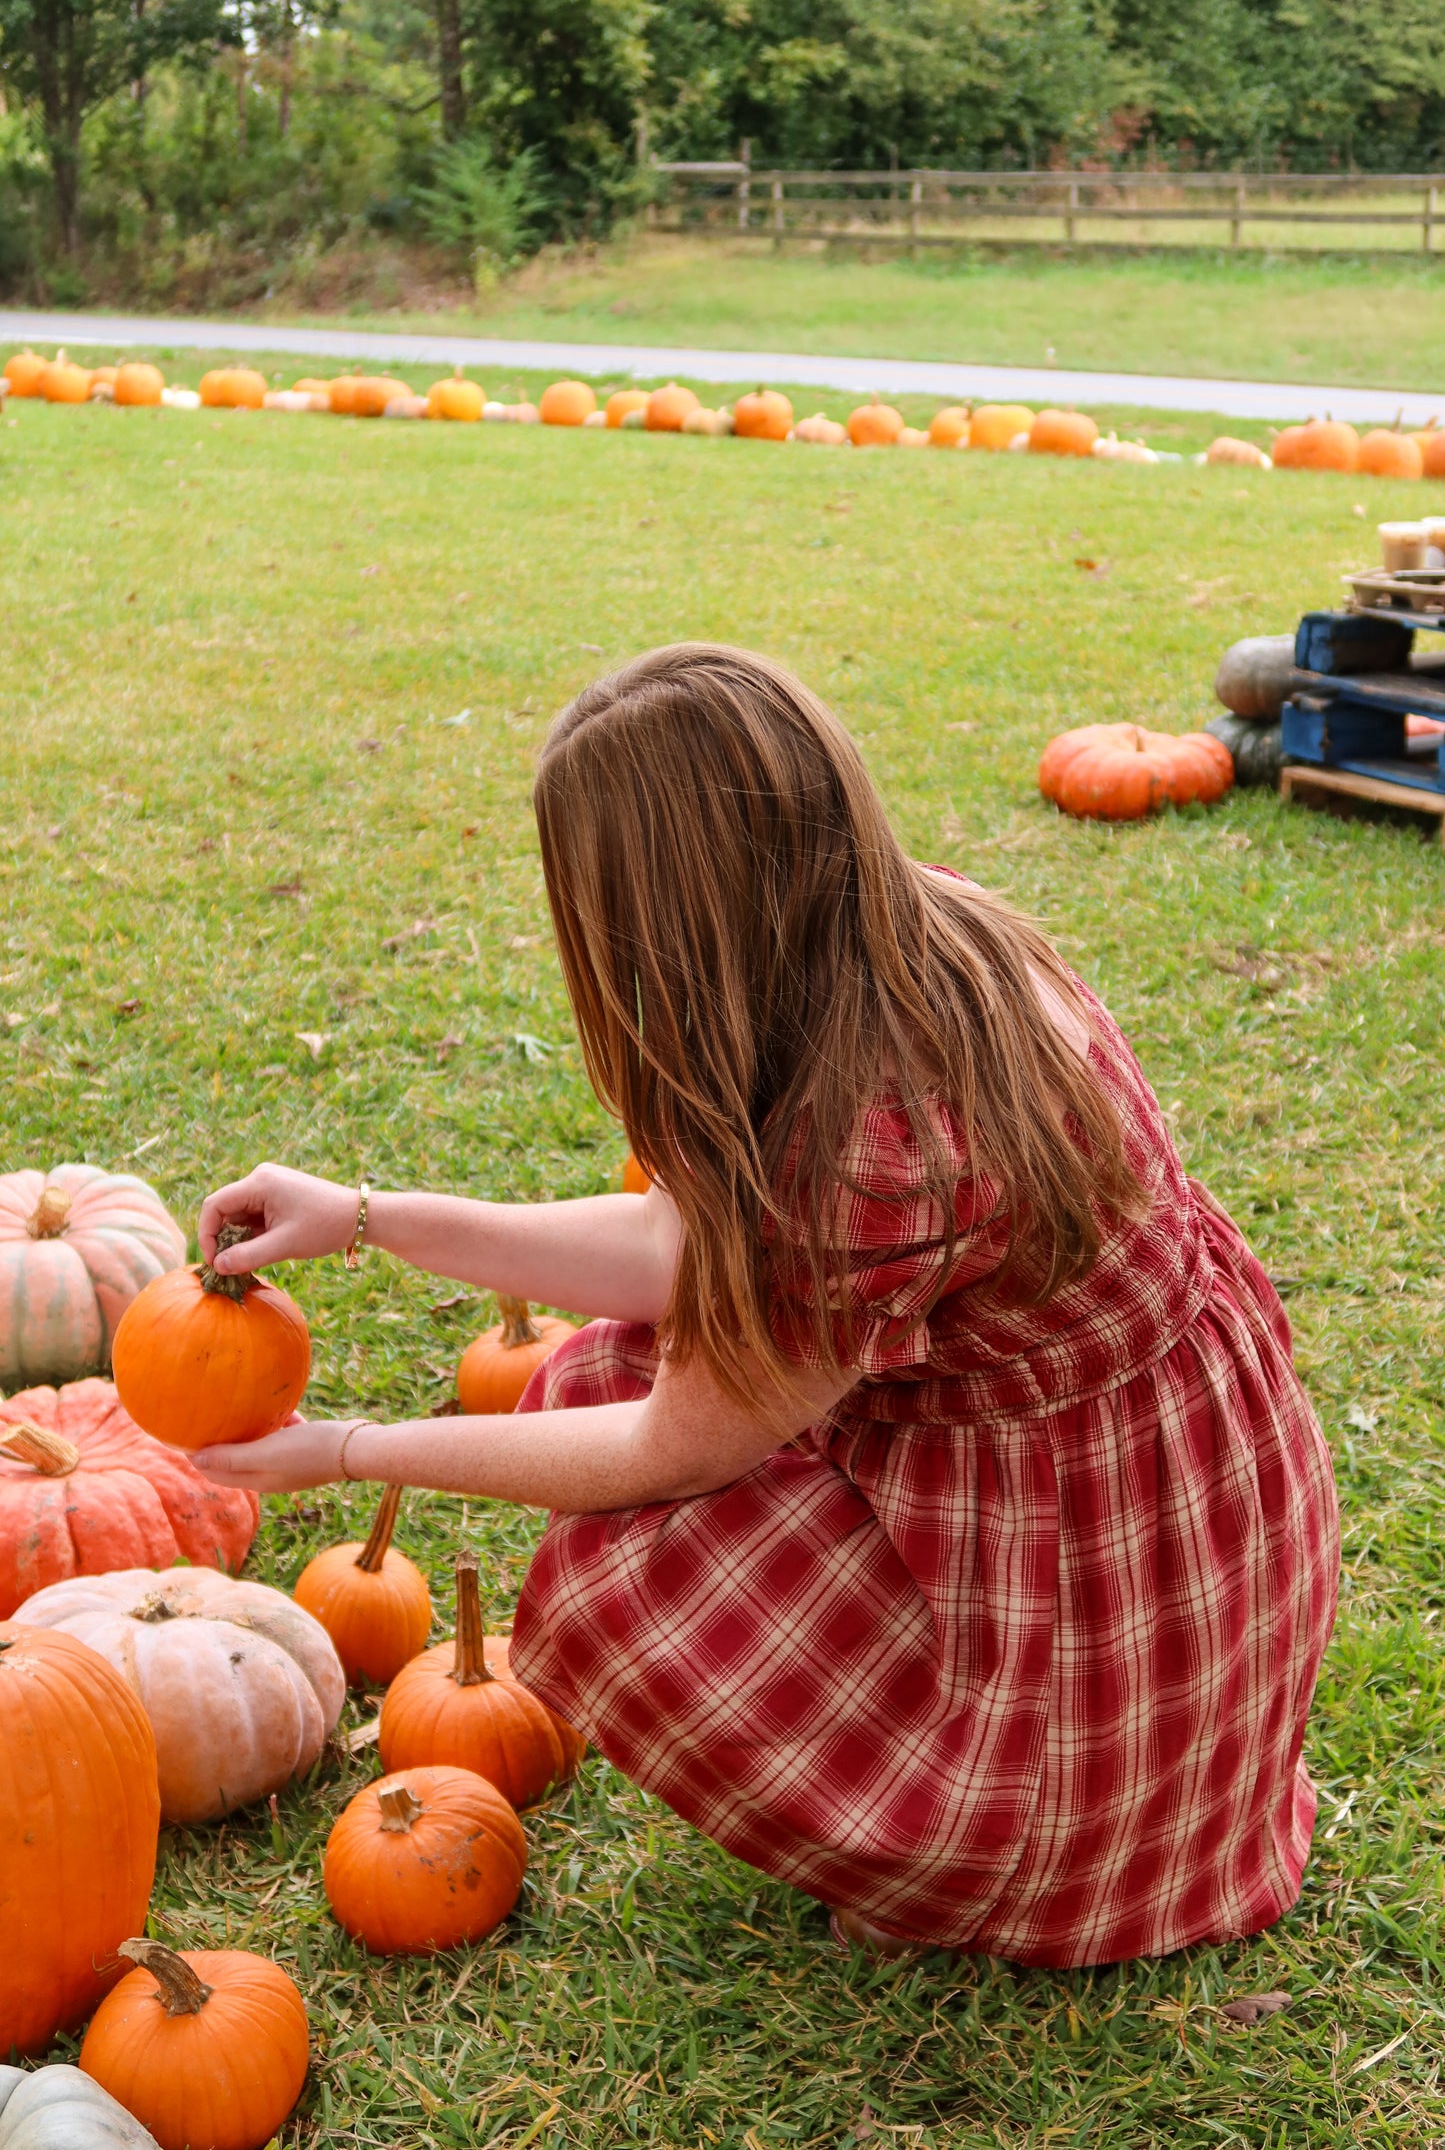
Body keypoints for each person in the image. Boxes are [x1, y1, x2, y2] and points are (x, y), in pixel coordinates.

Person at [194, 642, 1339, 1967]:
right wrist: (366, 1217)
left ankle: (1001, 1853)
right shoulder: (914, 939)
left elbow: (663, 1452)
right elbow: (671, 1246)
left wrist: (345, 1450)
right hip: (1163, 1469)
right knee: (605, 1366)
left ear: (665, 924)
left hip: (1101, 1575)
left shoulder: (871, 1140)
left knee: (628, 1552)